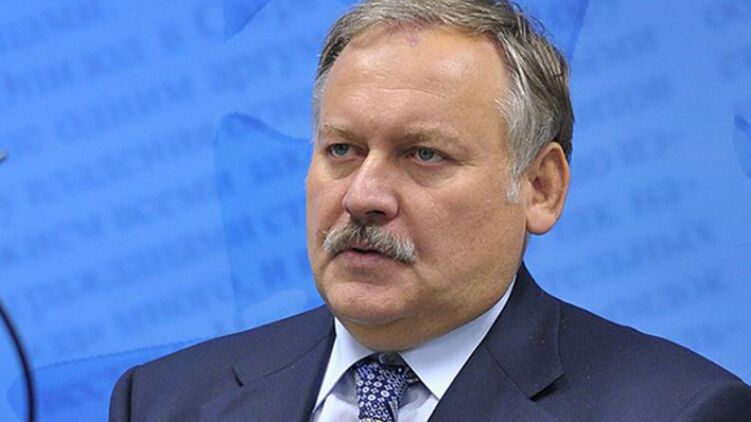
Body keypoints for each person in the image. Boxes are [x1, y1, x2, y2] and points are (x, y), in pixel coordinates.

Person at [110, 1, 751, 420]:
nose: (362, 196)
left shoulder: (678, 409)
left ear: (541, 187)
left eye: (424, 155)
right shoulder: (164, 401)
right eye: (342, 149)